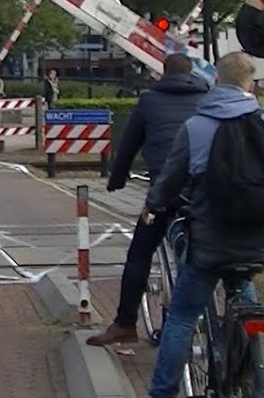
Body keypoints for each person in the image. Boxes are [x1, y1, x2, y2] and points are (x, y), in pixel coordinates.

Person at [142, 51, 264, 398]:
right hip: (262, 240)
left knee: (182, 314)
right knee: (243, 286)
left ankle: (161, 392)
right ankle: (253, 366)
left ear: (215, 82)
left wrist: (153, 205)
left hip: (212, 241)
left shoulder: (196, 126)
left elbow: (170, 179)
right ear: (249, 84)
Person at [86, 53, 209, 346]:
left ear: (163, 73)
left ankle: (125, 324)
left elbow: (128, 146)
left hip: (167, 192)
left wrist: (116, 181)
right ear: (192, 74)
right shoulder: (208, 98)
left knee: (140, 253)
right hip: (206, 192)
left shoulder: (150, 101)